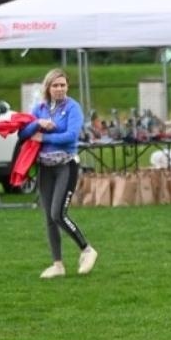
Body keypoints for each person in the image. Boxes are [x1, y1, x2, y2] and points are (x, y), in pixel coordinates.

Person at [23, 68, 97, 279]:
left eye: (63, 85)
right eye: (55, 85)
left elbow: (71, 136)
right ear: (48, 87)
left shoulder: (73, 107)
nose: (59, 89)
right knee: (48, 217)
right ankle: (58, 265)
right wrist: (38, 123)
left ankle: (87, 249)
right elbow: (24, 132)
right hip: (45, 168)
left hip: (66, 165)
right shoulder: (40, 108)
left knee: (58, 214)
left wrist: (44, 137)